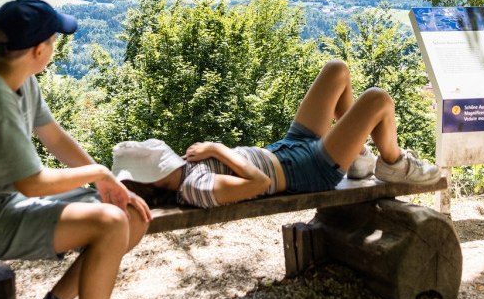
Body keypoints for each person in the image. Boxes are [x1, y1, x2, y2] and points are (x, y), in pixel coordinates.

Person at [0, 0, 152, 299]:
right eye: (53, 41)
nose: (54, 47)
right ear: (38, 50)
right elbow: (32, 185)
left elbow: (55, 138)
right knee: (110, 223)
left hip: (8, 205)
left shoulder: (20, 80)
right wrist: (98, 172)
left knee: (130, 213)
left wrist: (106, 182)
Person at [110, 59, 440, 208]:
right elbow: (260, 184)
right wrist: (218, 149)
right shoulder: (195, 187)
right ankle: (394, 163)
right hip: (307, 170)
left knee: (336, 70)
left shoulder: (184, 169)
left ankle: (355, 156)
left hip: (286, 148)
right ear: (152, 180)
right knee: (377, 99)